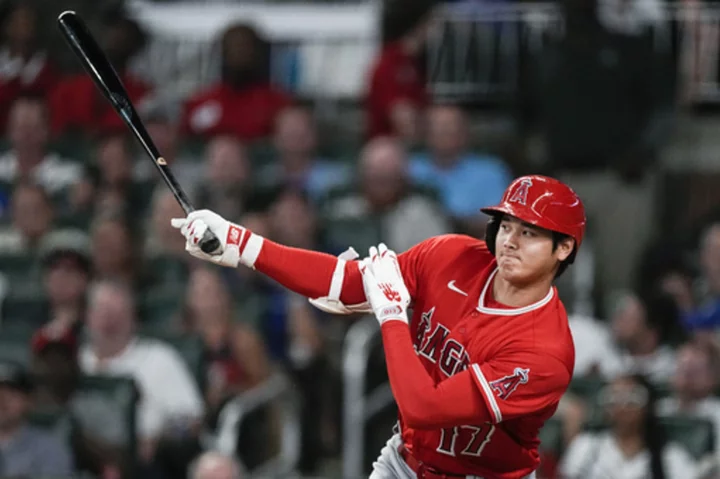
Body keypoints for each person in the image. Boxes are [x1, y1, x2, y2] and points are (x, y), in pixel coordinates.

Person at [172, 174, 585, 478]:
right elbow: (346, 283)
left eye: (529, 232)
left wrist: (391, 315)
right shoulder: (451, 255)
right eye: (506, 225)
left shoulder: (544, 351)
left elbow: (424, 408)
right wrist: (242, 243)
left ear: (563, 247)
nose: (510, 241)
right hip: (406, 462)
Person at [559, 374, 698, 479]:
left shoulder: (671, 456)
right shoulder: (586, 446)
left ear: (648, 406)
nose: (623, 406)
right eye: (614, 398)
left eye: (632, 398)